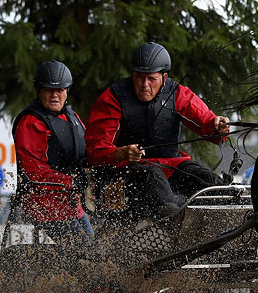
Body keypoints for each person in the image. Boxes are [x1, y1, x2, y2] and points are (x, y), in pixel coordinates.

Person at [85, 42, 230, 219]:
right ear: (132, 75)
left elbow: (207, 123)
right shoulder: (113, 98)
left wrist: (219, 127)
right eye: (139, 77)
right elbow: (94, 151)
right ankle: (175, 220)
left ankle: (229, 217)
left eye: (151, 79)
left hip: (172, 166)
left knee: (207, 180)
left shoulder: (178, 93)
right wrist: (120, 153)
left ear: (164, 77)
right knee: (153, 175)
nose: (145, 84)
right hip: (128, 173)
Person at [12, 60, 93, 244]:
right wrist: (71, 182)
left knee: (93, 251)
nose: (55, 95)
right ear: (39, 91)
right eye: (49, 90)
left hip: (73, 205)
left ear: (67, 91)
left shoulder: (71, 116)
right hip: (45, 208)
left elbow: (85, 152)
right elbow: (33, 172)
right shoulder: (31, 122)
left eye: (60, 90)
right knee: (85, 254)